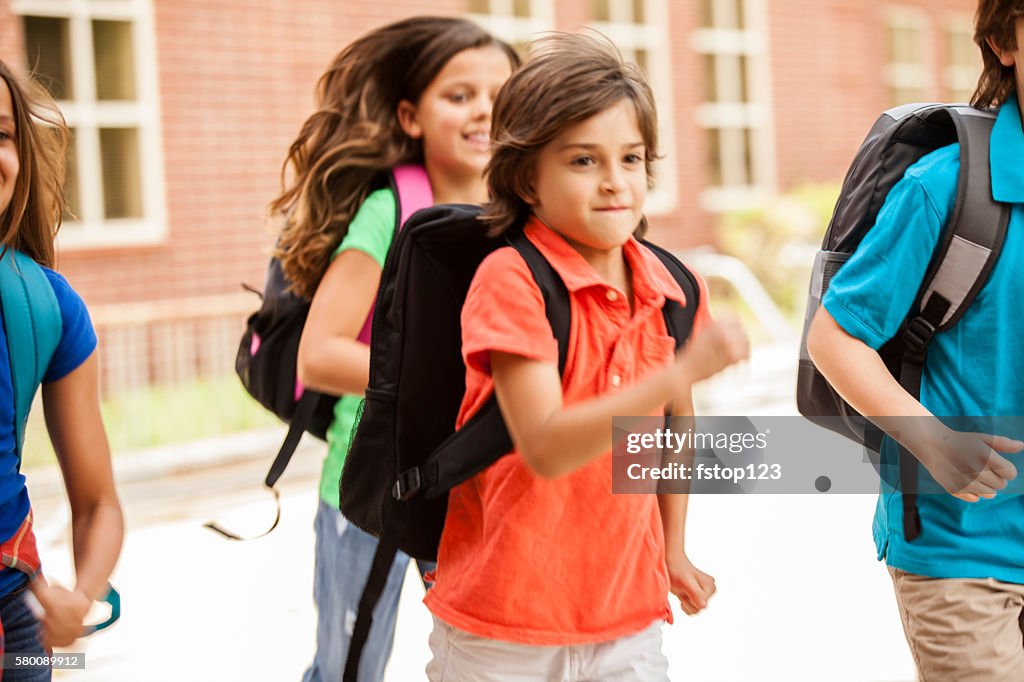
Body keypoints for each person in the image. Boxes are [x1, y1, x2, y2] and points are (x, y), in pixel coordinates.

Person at [422, 33, 748, 681]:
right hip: (503, 626)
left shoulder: (673, 286)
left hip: (626, 617)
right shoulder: (512, 280)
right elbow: (544, 444)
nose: (614, 183)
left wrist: (671, 548)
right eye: (582, 161)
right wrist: (680, 371)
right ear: (526, 180)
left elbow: (670, 430)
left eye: (630, 159)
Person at [268, 17, 518, 682]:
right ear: (411, 116)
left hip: (472, 492)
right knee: (351, 669)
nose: (484, 109)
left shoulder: (520, 213)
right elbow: (318, 356)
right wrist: (442, 379)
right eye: (459, 94)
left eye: (500, 92)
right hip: (370, 489)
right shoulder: (392, 208)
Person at [807, 2, 1024, 678]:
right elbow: (836, 338)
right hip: (963, 554)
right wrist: (933, 440)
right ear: (1003, 42)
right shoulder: (947, 189)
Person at [0, 60, 124, 676]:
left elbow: (99, 502)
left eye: (0, 133)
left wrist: (80, 598)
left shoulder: (48, 306)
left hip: (15, 623)